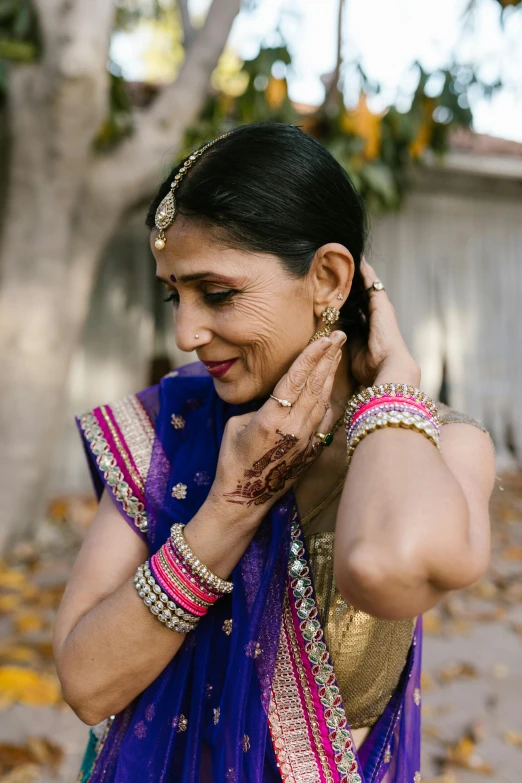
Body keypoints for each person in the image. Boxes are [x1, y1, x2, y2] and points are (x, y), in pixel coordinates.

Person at [53, 123, 495, 783]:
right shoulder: (170, 426)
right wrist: (232, 506)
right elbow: (86, 682)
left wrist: (394, 379)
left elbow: (383, 562)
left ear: (328, 275)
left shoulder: (440, 443)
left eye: (218, 292)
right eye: (176, 294)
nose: (185, 332)